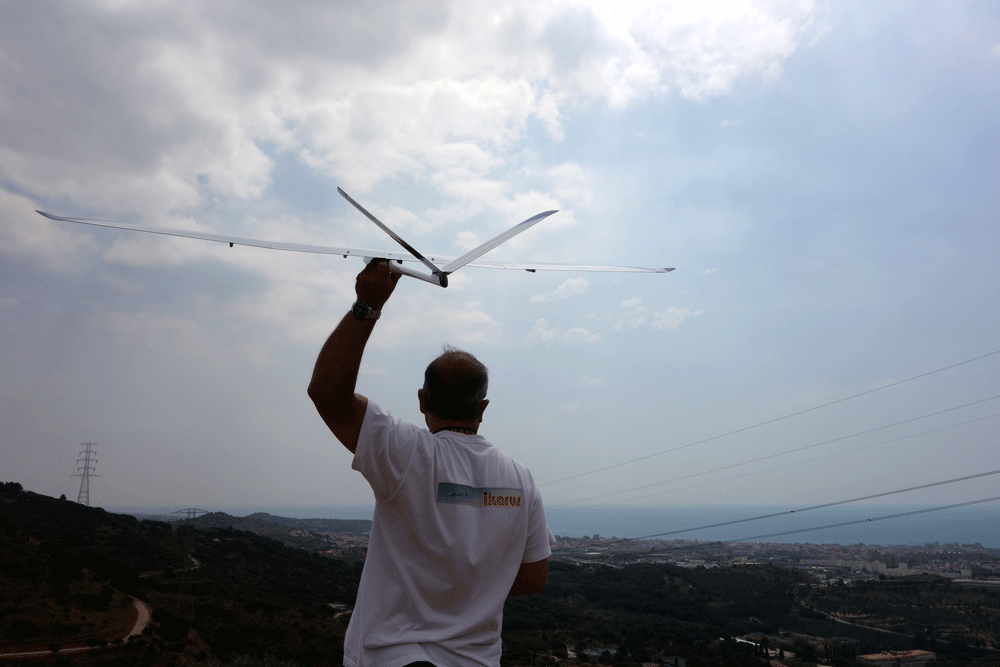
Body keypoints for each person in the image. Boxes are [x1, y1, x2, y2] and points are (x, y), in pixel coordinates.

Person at [308, 259, 554, 667]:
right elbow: (533, 577)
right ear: (483, 407)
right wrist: (468, 584)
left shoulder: (406, 453)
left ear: (422, 401)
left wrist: (367, 305)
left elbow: (327, 394)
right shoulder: (520, 480)